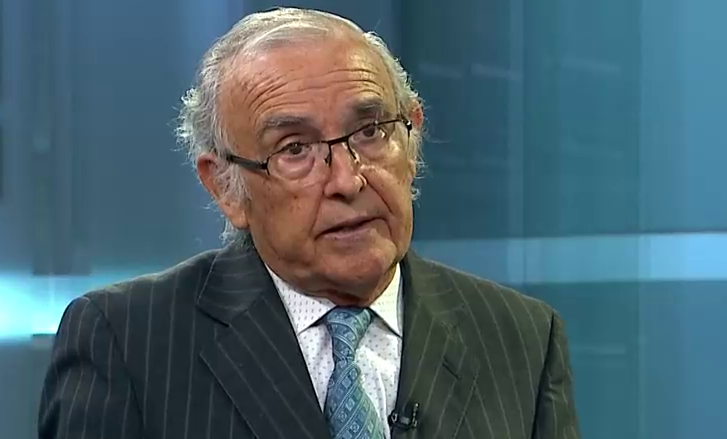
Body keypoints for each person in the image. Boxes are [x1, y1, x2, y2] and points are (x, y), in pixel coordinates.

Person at [38, 7, 579, 439]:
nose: (347, 179)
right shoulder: (127, 344)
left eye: (371, 131)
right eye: (295, 148)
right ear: (224, 185)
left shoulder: (522, 337)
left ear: (412, 137)